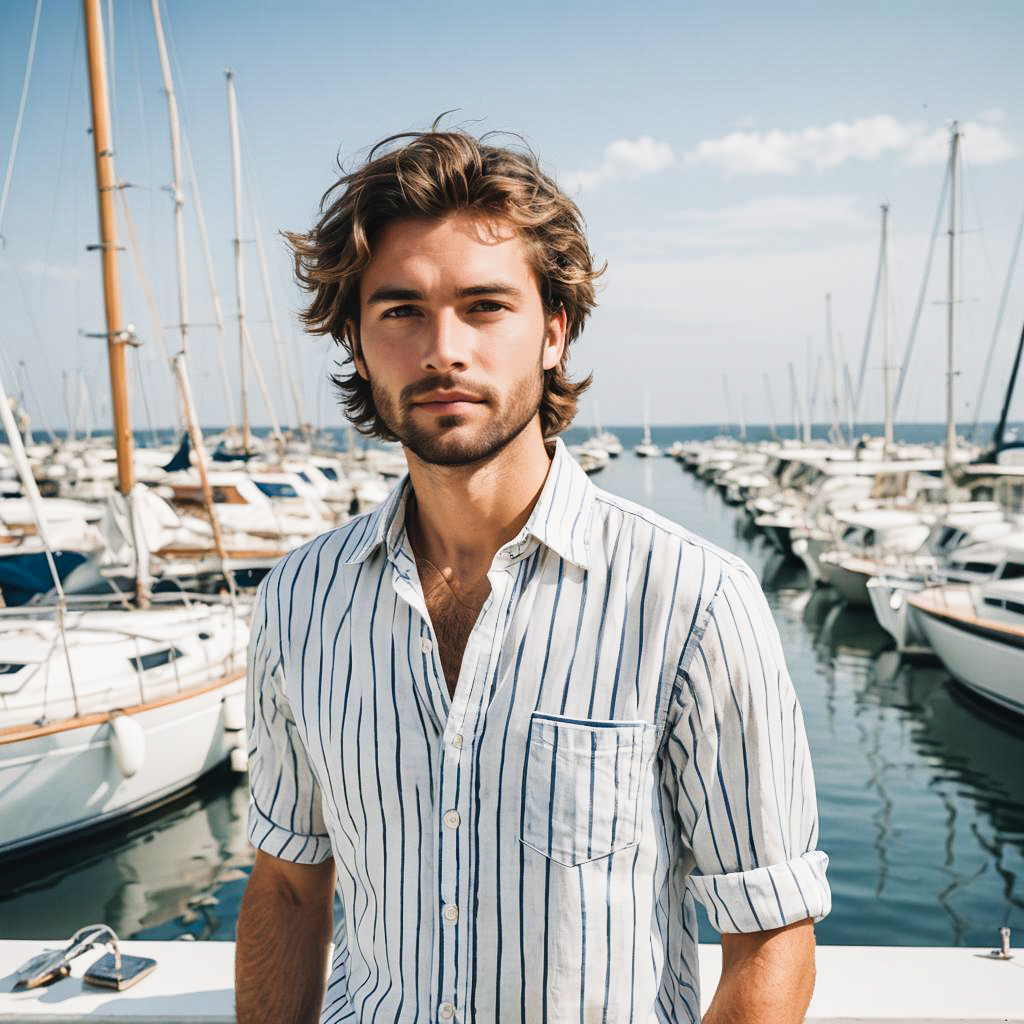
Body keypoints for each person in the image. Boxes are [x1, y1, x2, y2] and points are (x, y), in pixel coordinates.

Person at [235, 127, 831, 1024]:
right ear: (356, 342)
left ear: (553, 331)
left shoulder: (693, 601)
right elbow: (286, 883)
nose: (444, 349)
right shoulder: (299, 601)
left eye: (484, 307)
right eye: (400, 310)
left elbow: (772, 942)